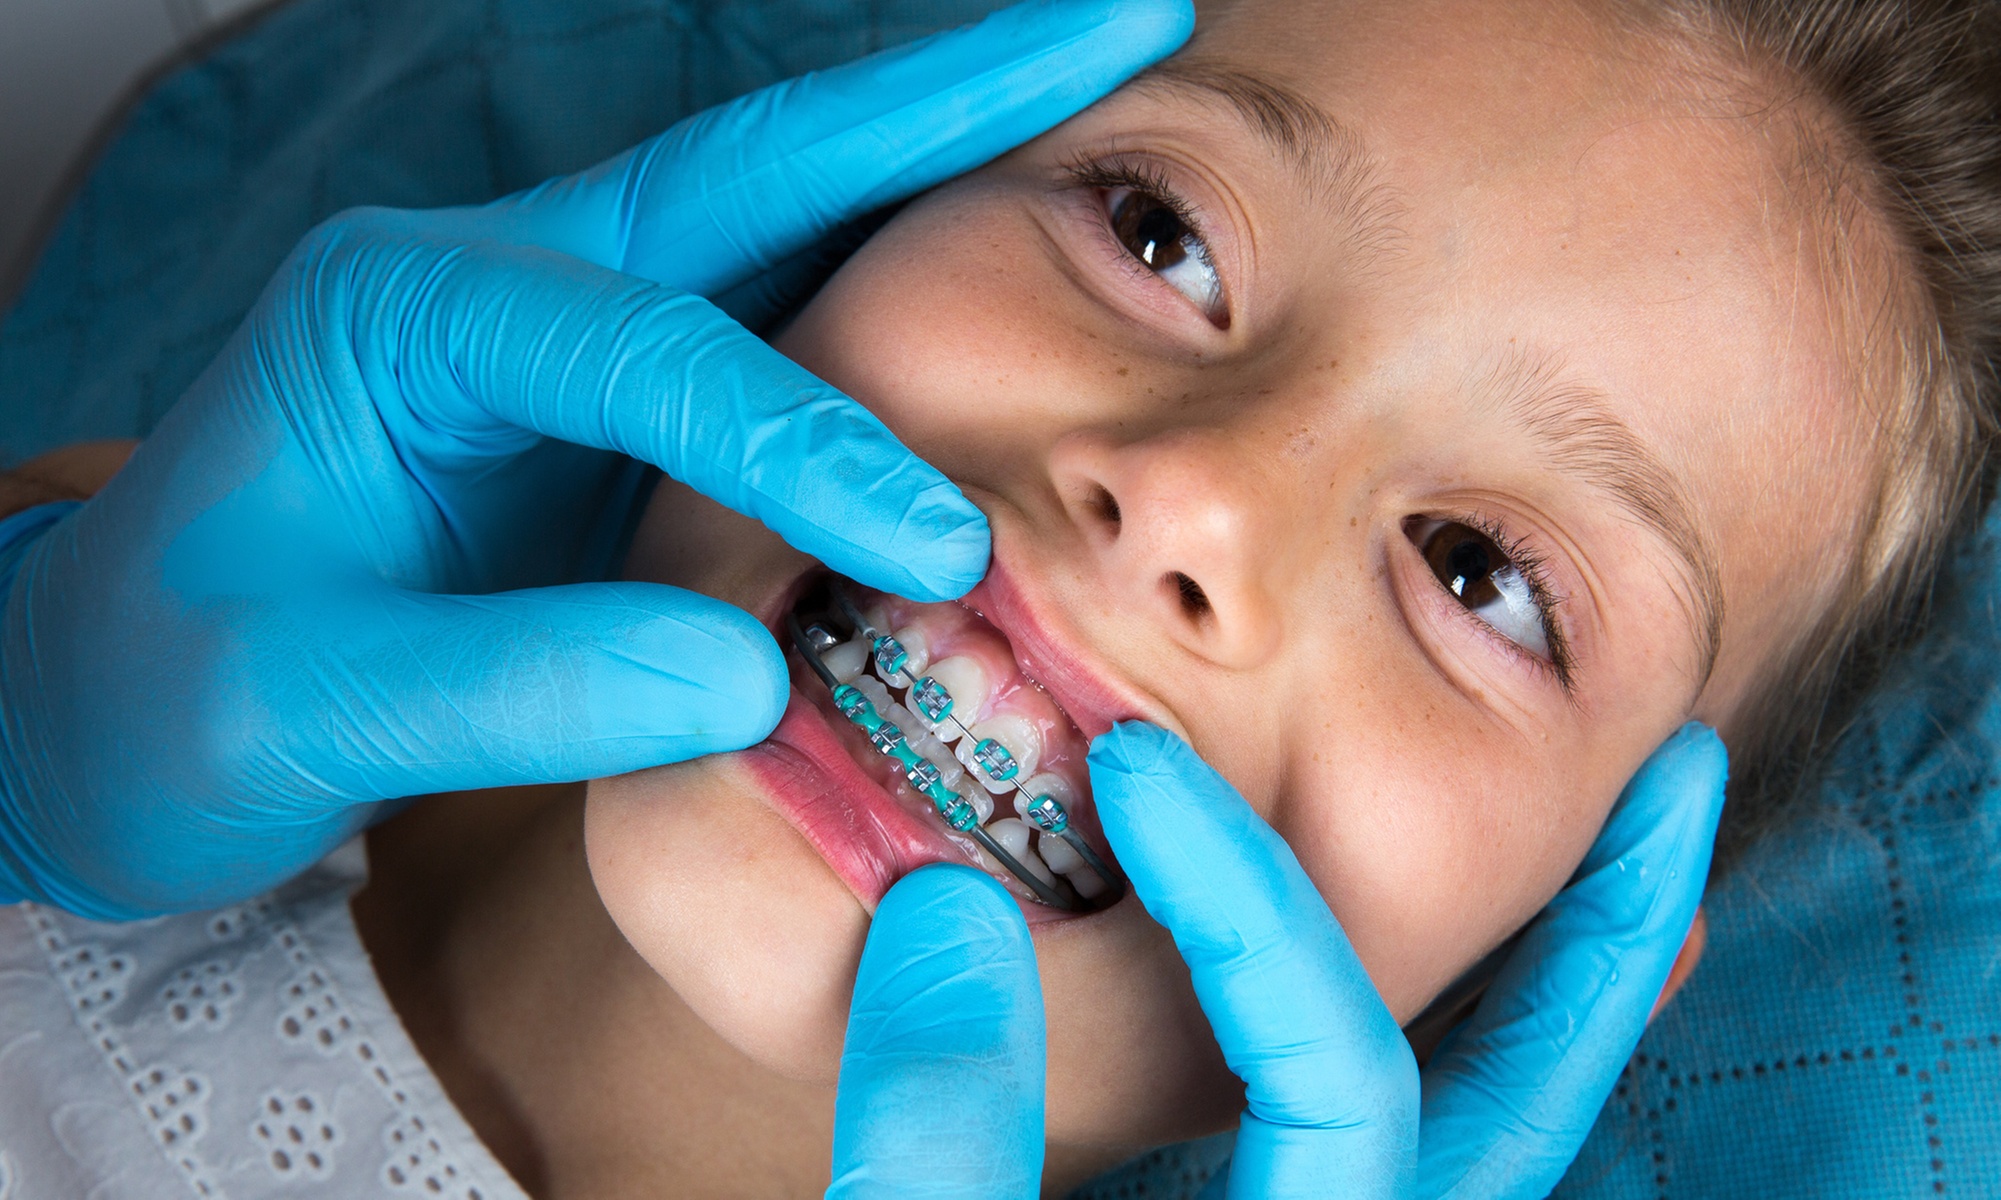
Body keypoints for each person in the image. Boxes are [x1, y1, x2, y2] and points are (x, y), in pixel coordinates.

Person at [3, 0, 1996, 1196]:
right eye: (1157, 233)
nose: (1194, 492)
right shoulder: (102, 640)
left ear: (1541, 963)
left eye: (1481, 578)